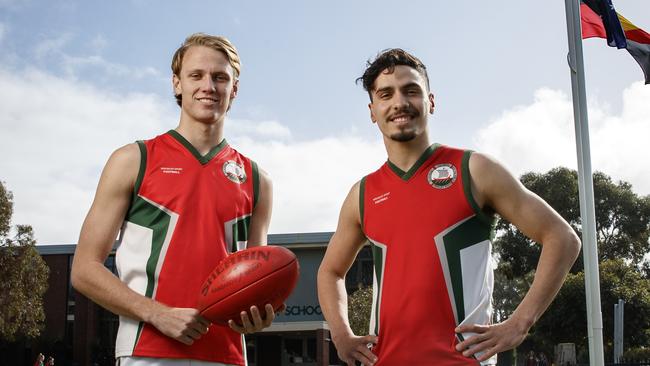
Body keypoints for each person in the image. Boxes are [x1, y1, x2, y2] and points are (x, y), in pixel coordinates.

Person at [317, 49, 581, 365]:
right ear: (373, 111)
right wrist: (342, 334)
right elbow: (330, 271)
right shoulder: (362, 193)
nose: (399, 102)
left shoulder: (475, 170)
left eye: (411, 90)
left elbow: (563, 238)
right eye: (386, 95)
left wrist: (519, 323)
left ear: (431, 101)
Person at [71, 33, 275, 366]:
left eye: (220, 77)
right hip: (147, 352)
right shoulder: (133, 160)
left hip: (227, 355)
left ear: (234, 90)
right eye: (196, 75)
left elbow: (254, 282)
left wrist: (258, 315)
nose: (208, 85)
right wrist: (157, 314)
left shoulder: (257, 180)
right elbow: (83, 269)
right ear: (177, 84)